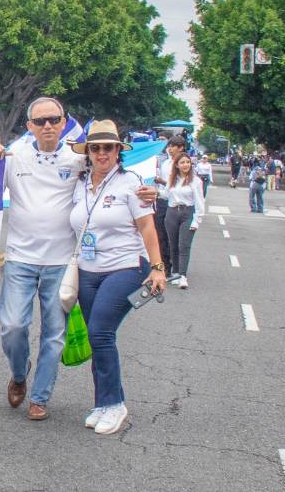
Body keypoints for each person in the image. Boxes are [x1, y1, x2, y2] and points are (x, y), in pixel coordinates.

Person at [0, 96, 87, 421]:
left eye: (54, 120)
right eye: (40, 121)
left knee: (54, 335)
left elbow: (107, 176)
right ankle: (18, 373)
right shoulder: (14, 156)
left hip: (61, 263)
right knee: (13, 327)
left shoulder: (77, 158)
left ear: (63, 122)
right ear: (29, 126)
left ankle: (40, 397)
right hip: (19, 258)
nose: (47, 126)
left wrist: (145, 191)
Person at [68, 119, 168, 435]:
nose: (101, 154)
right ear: (88, 153)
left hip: (125, 266)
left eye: (108, 148)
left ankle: (115, 404)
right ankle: (103, 402)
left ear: (117, 151)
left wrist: (158, 267)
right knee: (98, 338)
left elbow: (148, 228)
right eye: (95, 148)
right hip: (87, 270)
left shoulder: (131, 183)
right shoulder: (79, 184)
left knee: (100, 332)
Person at [160, 153, 206, 289]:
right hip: (172, 212)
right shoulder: (172, 179)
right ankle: (175, 273)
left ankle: (183, 276)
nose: (185, 165)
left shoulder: (195, 181)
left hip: (188, 213)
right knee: (173, 244)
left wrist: (196, 221)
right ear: (176, 165)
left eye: (187, 162)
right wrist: (153, 191)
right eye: (182, 162)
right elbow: (166, 194)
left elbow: (199, 201)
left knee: (183, 245)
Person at [152, 136, 188, 277]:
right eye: (169, 146)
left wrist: (163, 181)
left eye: (173, 146)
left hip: (177, 204)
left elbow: (183, 184)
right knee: (161, 235)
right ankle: (165, 266)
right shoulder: (166, 163)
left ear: (181, 148)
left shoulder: (185, 164)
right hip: (163, 201)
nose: (170, 149)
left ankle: (177, 268)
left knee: (175, 237)